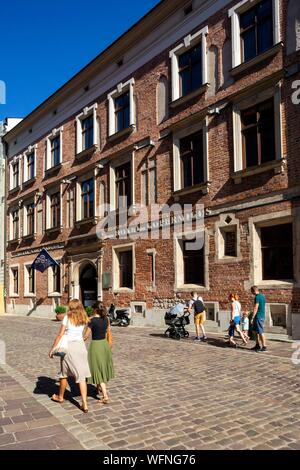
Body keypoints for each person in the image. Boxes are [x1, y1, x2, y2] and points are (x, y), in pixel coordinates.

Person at [49, 299, 91, 413]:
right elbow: (84, 333)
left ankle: (60, 396)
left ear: (71, 307)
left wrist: (53, 348)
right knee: (81, 376)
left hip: (69, 347)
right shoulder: (84, 317)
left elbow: (60, 334)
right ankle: (85, 404)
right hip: (81, 347)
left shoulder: (67, 317)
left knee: (64, 373)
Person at [84, 302, 115, 404]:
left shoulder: (92, 320)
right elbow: (108, 331)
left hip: (96, 346)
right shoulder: (106, 319)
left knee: (97, 368)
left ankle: (105, 395)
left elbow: (86, 336)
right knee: (102, 366)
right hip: (104, 345)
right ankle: (98, 388)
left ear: (95, 309)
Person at [251, 286, 267, 352]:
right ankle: (257, 345)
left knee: (260, 331)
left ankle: (264, 346)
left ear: (253, 291)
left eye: (251, 291)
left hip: (258, 316)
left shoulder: (257, 297)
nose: (251, 293)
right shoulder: (263, 296)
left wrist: (252, 317)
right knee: (255, 331)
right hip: (260, 315)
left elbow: (256, 307)